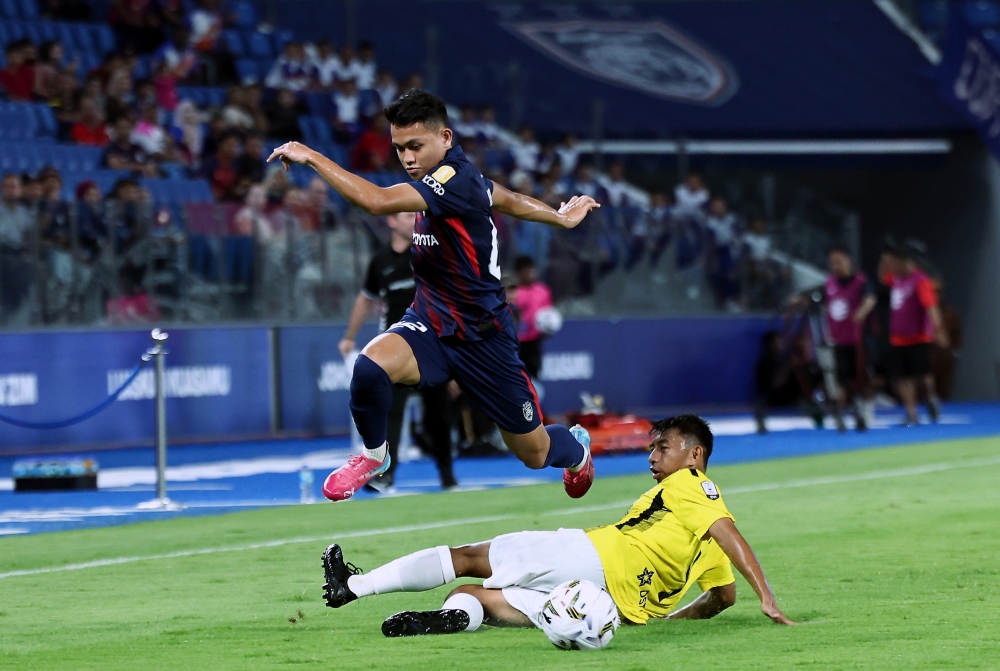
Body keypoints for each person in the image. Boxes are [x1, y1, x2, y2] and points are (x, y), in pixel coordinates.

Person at [268, 88, 600, 502]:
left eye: (415, 146)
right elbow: (508, 198)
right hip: (432, 320)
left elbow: (377, 201)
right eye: (399, 148)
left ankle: (576, 452)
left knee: (534, 453)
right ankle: (375, 456)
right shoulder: (457, 179)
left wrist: (313, 157)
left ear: (445, 137)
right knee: (370, 367)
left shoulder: (453, 180)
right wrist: (558, 216)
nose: (406, 157)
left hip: (484, 337)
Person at [319, 415, 796, 636]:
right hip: (608, 611)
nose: (653, 457)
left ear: (695, 455)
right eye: (652, 448)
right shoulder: (698, 528)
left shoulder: (691, 483)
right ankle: (453, 620)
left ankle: (353, 587)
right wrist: (669, 619)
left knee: (468, 556)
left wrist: (768, 597)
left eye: (663, 448)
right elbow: (722, 598)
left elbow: (727, 532)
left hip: (592, 557)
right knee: (475, 598)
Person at [338, 211, 458, 493]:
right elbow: (365, 298)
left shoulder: (428, 254)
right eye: (406, 216)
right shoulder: (380, 262)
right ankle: (384, 476)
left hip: (431, 347)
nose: (414, 220)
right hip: (394, 349)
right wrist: (349, 336)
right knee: (391, 412)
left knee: (439, 415)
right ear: (391, 221)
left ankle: (448, 477)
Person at [883, 241, 949, 425]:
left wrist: (939, 330)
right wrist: (885, 257)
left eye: (894, 263)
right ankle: (912, 413)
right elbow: (882, 275)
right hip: (898, 338)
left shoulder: (920, 281)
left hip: (918, 337)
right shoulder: (895, 278)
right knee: (903, 377)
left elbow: (931, 306)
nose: (891, 267)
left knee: (923, 375)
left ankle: (930, 398)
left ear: (905, 262)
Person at [511, 255, 552, 381]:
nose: (531, 274)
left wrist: (548, 329)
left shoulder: (543, 291)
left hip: (534, 342)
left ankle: (533, 399)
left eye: (532, 270)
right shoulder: (513, 292)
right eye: (527, 271)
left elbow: (548, 315)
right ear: (519, 273)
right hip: (516, 342)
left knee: (534, 377)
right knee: (516, 376)